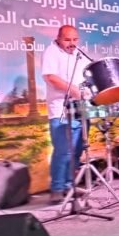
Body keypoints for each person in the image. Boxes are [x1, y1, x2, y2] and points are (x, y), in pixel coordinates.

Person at [41, 25, 90, 204]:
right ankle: (57, 188)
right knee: (63, 151)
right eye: (67, 40)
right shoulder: (51, 52)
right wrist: (74, 90)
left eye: (75, 39)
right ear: (59, 38)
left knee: (77, 150)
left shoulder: (80, 55)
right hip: (60, 110)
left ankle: (70, 185)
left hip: (80, 109)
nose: (72, 43)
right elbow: (50, 77)